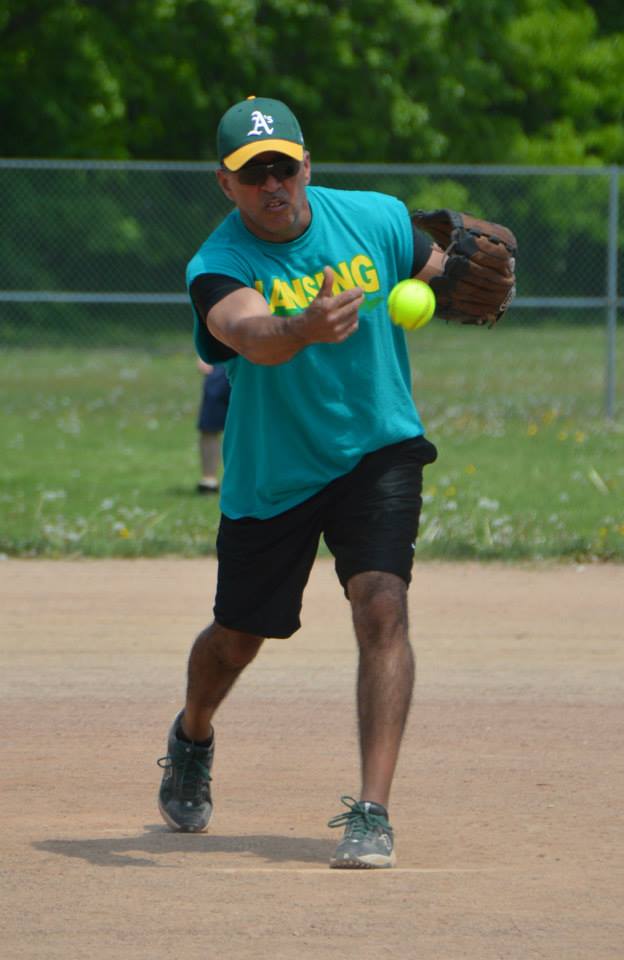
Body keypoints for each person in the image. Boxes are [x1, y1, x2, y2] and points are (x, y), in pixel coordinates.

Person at [157, 95, 450, 870]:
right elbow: (249, 333)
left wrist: (472, 269)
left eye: (284, 167)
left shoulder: (376, 218)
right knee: (237, 638)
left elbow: (439, 263)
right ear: (226, 184)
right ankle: (192, 736)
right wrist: (300, 329)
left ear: (307, 165)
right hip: (274, 473)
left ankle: (373, 812)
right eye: (254, 175)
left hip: (377, 449)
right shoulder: (218, 263)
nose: (273, 185)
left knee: (381, 603)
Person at [195, 358, 230, 494]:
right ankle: (209, 479)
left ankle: (251, 478)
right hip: (221, 360)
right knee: (209, 425)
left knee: (253, 427)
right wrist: (203, 354)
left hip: (255, 358)